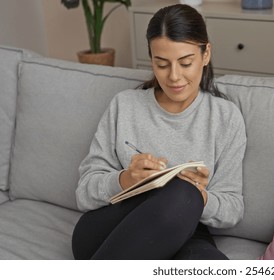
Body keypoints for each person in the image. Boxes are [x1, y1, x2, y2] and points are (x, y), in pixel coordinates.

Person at [71, 4, 246, 260]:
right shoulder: (125, 105)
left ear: (206, 53)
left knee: (210, 258)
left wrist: (200, 197)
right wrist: (127, 179)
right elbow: (84, 193)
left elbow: (232, 209)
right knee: (181, 194)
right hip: (112, 229)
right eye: (162, 64)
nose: (174, 77)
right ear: (151, 58)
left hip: (185, 230)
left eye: (185, 63)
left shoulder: (225, 117)